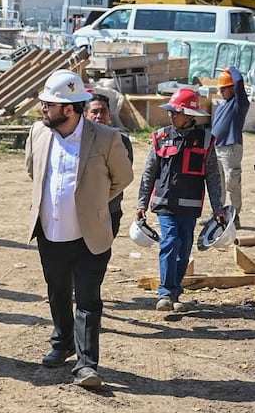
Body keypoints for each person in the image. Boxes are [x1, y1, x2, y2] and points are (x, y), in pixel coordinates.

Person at [24, 70, 134, 389]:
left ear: (68, 109)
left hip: (90, 235)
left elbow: (122, 178)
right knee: (57, 291)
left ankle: (87, 365)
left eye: (48, 105)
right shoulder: (38, 133)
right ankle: (62, 342)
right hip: (50, 233)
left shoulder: (106, 138)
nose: (43, 109)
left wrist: (95, 203)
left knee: (87, 298)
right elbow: (33, 169)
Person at [136, 87, 225, 313]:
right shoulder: (160, 138)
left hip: (191, 205)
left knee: (183, 249)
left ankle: (175, 292)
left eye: (176, 112)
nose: (171, 116)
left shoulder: (206, 141)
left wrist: (218, 209)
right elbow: (149, 173)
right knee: (170, 242)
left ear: (189, 115)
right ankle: (165, 293)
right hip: (165, 204)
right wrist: (141, 204)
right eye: (171, 112)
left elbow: (213, 177)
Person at [84, 93, 133, 237]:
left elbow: (122, 177)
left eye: (103, 111)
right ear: (85, 114)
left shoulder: (121, 141)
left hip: (110, 209)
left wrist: (102, 199)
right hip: (82, 210)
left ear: (109, 114)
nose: (99, 116)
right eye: (94, 112)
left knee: (102, 253)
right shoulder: (78, 141)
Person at [210, 67, 249, 229]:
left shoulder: (239, 104)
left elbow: (239, 81)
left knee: (232, 182)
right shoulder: (223, 105)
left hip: (230, 148)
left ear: (232, 88)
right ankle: (218, 215)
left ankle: (235, 215)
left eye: (223, 88)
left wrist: (231, 69)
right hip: (217, 148)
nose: (221, 92)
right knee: (218, 184)